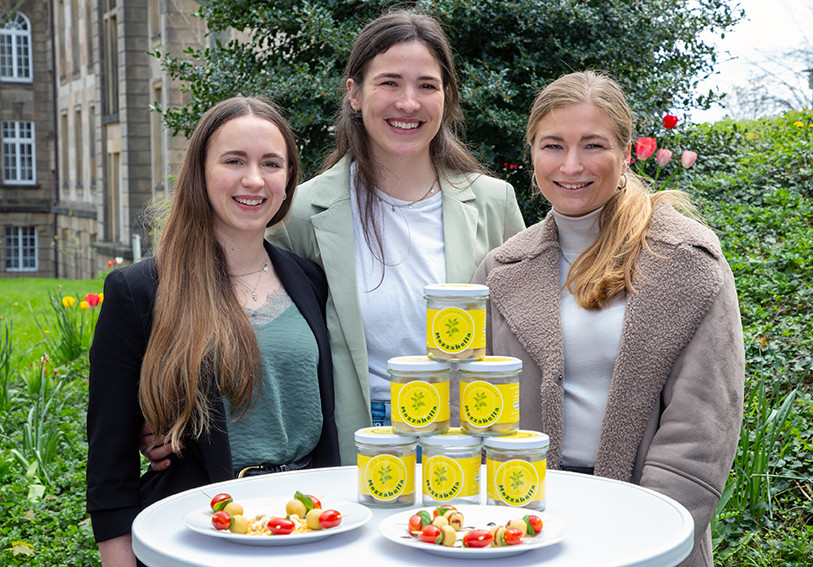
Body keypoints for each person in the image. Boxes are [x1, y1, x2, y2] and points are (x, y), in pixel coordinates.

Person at [472, 71, 744, 567]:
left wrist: (645, 534)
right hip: (522, 526)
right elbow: (475, 406)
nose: (571, 165)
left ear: (624, 153)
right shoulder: (500, 270)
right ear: (532, 154)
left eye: (592, 145)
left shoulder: (686, 259)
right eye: (553, 145)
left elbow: (703, 426)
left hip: (645, 525)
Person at [87, 97, 340, 566]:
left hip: (308, 528)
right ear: (200, 173)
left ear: (288, 182)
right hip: (198, 531)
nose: (254, 179)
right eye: (233, 161)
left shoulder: (309, 279)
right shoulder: (141, 290)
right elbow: (109, 459)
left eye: (271, 163)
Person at [265, 9, 525, 464]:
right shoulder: (302, 212)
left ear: (446, 98)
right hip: (361, 443)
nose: (409, 102)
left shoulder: (493, 203)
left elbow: (530, 329)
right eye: (389, 83)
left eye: (427, 85)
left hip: (468, 442)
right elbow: (260, 328)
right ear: (355, 95)